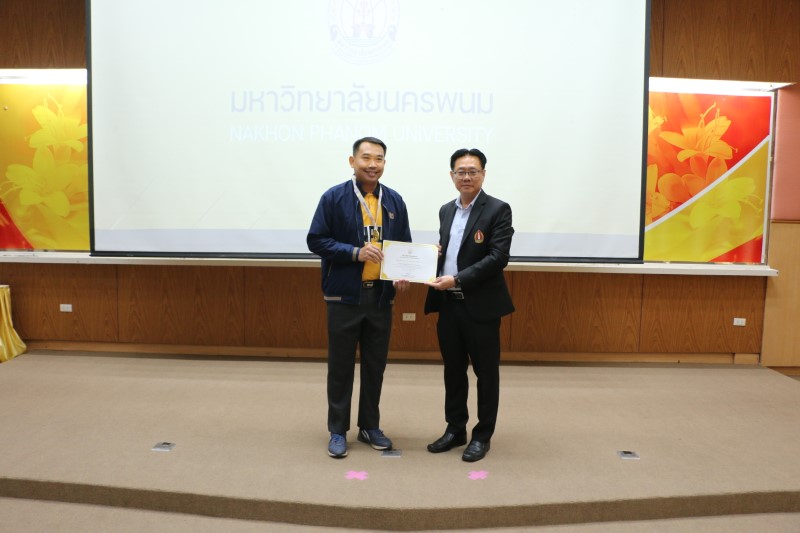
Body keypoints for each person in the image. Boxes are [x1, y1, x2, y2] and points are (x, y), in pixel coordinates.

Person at [307, 137, 411, 459]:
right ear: (352, 162)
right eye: (366, 158)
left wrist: (403, 272)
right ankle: (338, 430)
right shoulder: (334, 198)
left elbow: (403, 246)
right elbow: (316, 240)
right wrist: (355, 252)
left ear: (384, 164)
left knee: (375, 366)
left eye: (379, 159)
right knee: (340, 367)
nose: (372, 164)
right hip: (344, 297)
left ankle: (369, 426)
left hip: (380, 298)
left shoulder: (394, 201)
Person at [424, 148, 514, 462]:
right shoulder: (446, 210)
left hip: (481, 306)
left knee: (486, 374)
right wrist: (433, 257)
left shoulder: (498, 209)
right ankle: (455, 429)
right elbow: (451, 252)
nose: (466, 177)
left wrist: (457, 279)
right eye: (460, 171)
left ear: (483, 174)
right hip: (448, 305)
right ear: (452, 175)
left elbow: (497, 258)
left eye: (472, 171)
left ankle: (482, 435)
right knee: (453, 371)